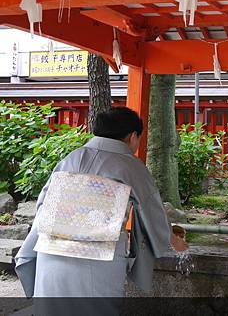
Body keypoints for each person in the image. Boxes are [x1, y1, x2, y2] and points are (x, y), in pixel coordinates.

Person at [15, 107, 188, 301]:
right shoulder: (130, 165)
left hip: (51, 251)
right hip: (98, 257)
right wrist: (173, 240)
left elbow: (44, 205)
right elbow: (151, 210)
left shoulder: (71, 158)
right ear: (132, 136)